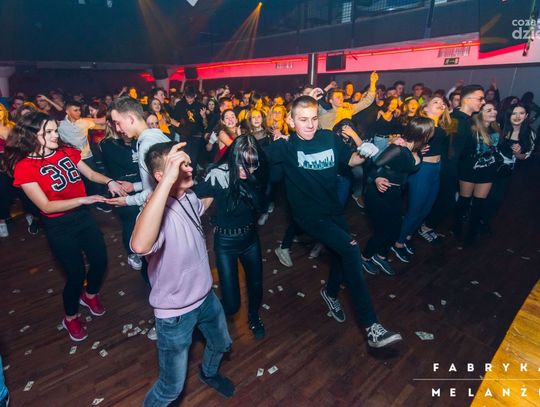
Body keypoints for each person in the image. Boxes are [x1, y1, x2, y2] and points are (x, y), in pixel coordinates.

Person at [266, 95, 401, 348]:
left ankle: (329, 293)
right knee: (351, 250)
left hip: (333, 210)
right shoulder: (285, 146)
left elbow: (350, 160)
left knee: (342, 254)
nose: (310, 125)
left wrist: (363, 153)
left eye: (313, 119)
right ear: (290, 121)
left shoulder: (328, 138)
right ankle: (372, 327)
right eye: (303, 120)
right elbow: (254, 163)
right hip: (308, 215)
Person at [4, 111, 131, 341]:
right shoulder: (24, 167)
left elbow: (90, 173)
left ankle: (90, 295)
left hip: (83, 218)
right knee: (75, 275)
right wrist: (83, 199)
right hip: (59, 225)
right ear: (31, 135)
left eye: (55, 130)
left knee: (101, 261)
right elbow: (45, 205)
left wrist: (110, 181)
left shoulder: (65, 151)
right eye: (48, 132)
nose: (55, 135)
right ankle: (70, 317)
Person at [130, 142, 234, 405]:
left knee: (221, 344)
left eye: (187, 163)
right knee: (170, 389)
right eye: (179, 166)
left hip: (206, 297)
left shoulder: (187, 197)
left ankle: (208, 373)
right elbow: (140, 245)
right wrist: (167, 183)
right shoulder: (154, 213)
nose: (188, 169)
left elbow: (199, 207)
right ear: (161, 176)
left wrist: (221, 183)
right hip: (175, 313)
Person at [194, 135, 266, 339]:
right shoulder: (219, 176)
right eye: (242, 165)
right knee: (232, 304)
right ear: (233, 158)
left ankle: (254, 317)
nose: (246, 170)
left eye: (251, 165)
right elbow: (189, 196)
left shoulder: (257, 173)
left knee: (256, 287)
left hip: (250, 239)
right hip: (226, 244)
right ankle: (207, 318)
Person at [361, 118, 432, 275]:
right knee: (382, 231)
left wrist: (420, 150)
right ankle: (364, 258)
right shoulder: (398, 148)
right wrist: (377, 178)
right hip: (379, 193)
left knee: (395, 230)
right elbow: (372, 165)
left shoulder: (417, 148)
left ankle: (380, 256)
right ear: (423, 133)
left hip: (395, 193)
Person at [393, 96, 451, 261]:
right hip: (422, 170)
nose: (441, 104)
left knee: (426, 208)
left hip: (436, 168)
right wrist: (415, 150)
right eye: (435, 102)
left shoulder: (441, 126)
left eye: (442, 103)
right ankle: (398, 243)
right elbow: (404, 143)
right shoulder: (422, 125)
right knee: (415, 209)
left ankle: (408, 236)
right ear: (425, 108)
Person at [455, 102, 500, 244]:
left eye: (494, 109)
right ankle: (457, 228)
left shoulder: (496, 128)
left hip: (488, 170)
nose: (493, 112)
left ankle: (472, 233)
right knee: (464, 200)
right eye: (489, 110)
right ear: (480, 114)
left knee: (479, 203)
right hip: (469, 169)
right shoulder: (471, 129)